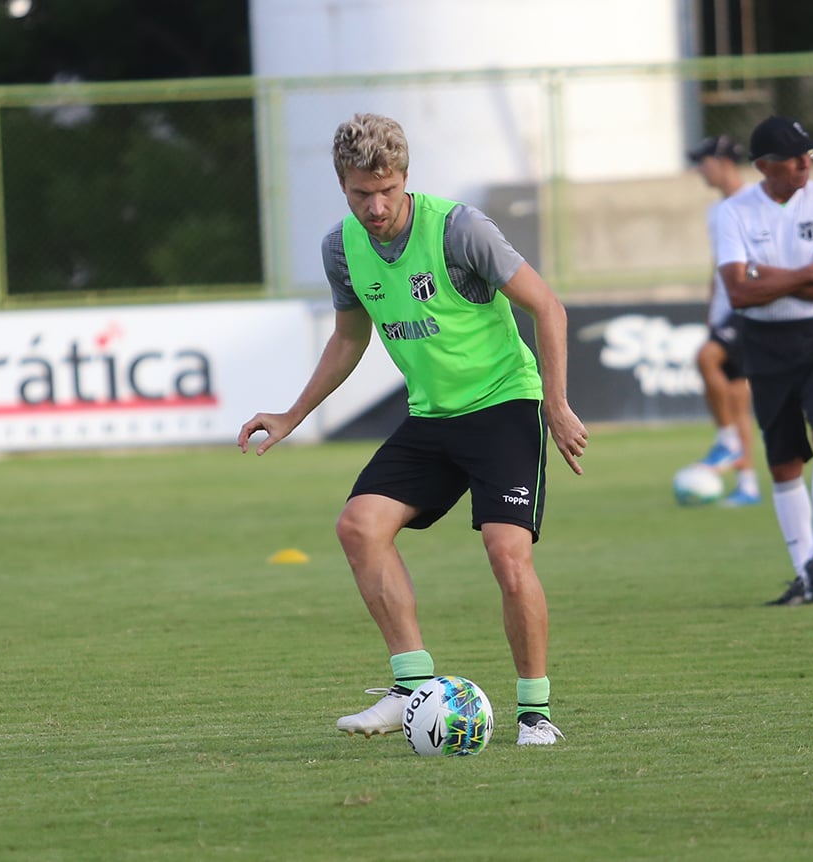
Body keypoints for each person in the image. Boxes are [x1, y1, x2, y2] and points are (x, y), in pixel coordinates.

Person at [237, 113, 588, 746]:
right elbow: (349, 339)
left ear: (405, 177)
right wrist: (292, 414)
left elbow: (547, 306)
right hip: (431, 417)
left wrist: (557, 406)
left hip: (504, 406)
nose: (375, 207)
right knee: (358, 526)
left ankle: (534, 715)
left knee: (507, 555)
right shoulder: (341, 248)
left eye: (386, 191)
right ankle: (410, 688)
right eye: (360, 194)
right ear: (342, 185)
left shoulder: (460, 231)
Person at [713, 115, 813, 605]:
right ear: (763, 166)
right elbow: (737, 292)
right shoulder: (733, 212)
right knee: (784, 461)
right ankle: (806, 572)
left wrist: (765, 274)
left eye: (808, 154)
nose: (804, 163)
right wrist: (807, 272)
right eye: (793, 157)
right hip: (763, 340)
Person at [686, 134, 760, 506]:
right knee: (735, 396)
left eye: (703, 163)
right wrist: (712, 311)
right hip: (724, 310)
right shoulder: (715, 212)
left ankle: (727, 442)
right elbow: (718, 265)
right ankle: (748, 484)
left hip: (746, 308)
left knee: (706, 358)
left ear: (722, 161)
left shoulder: (754, 202)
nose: (700, 171)